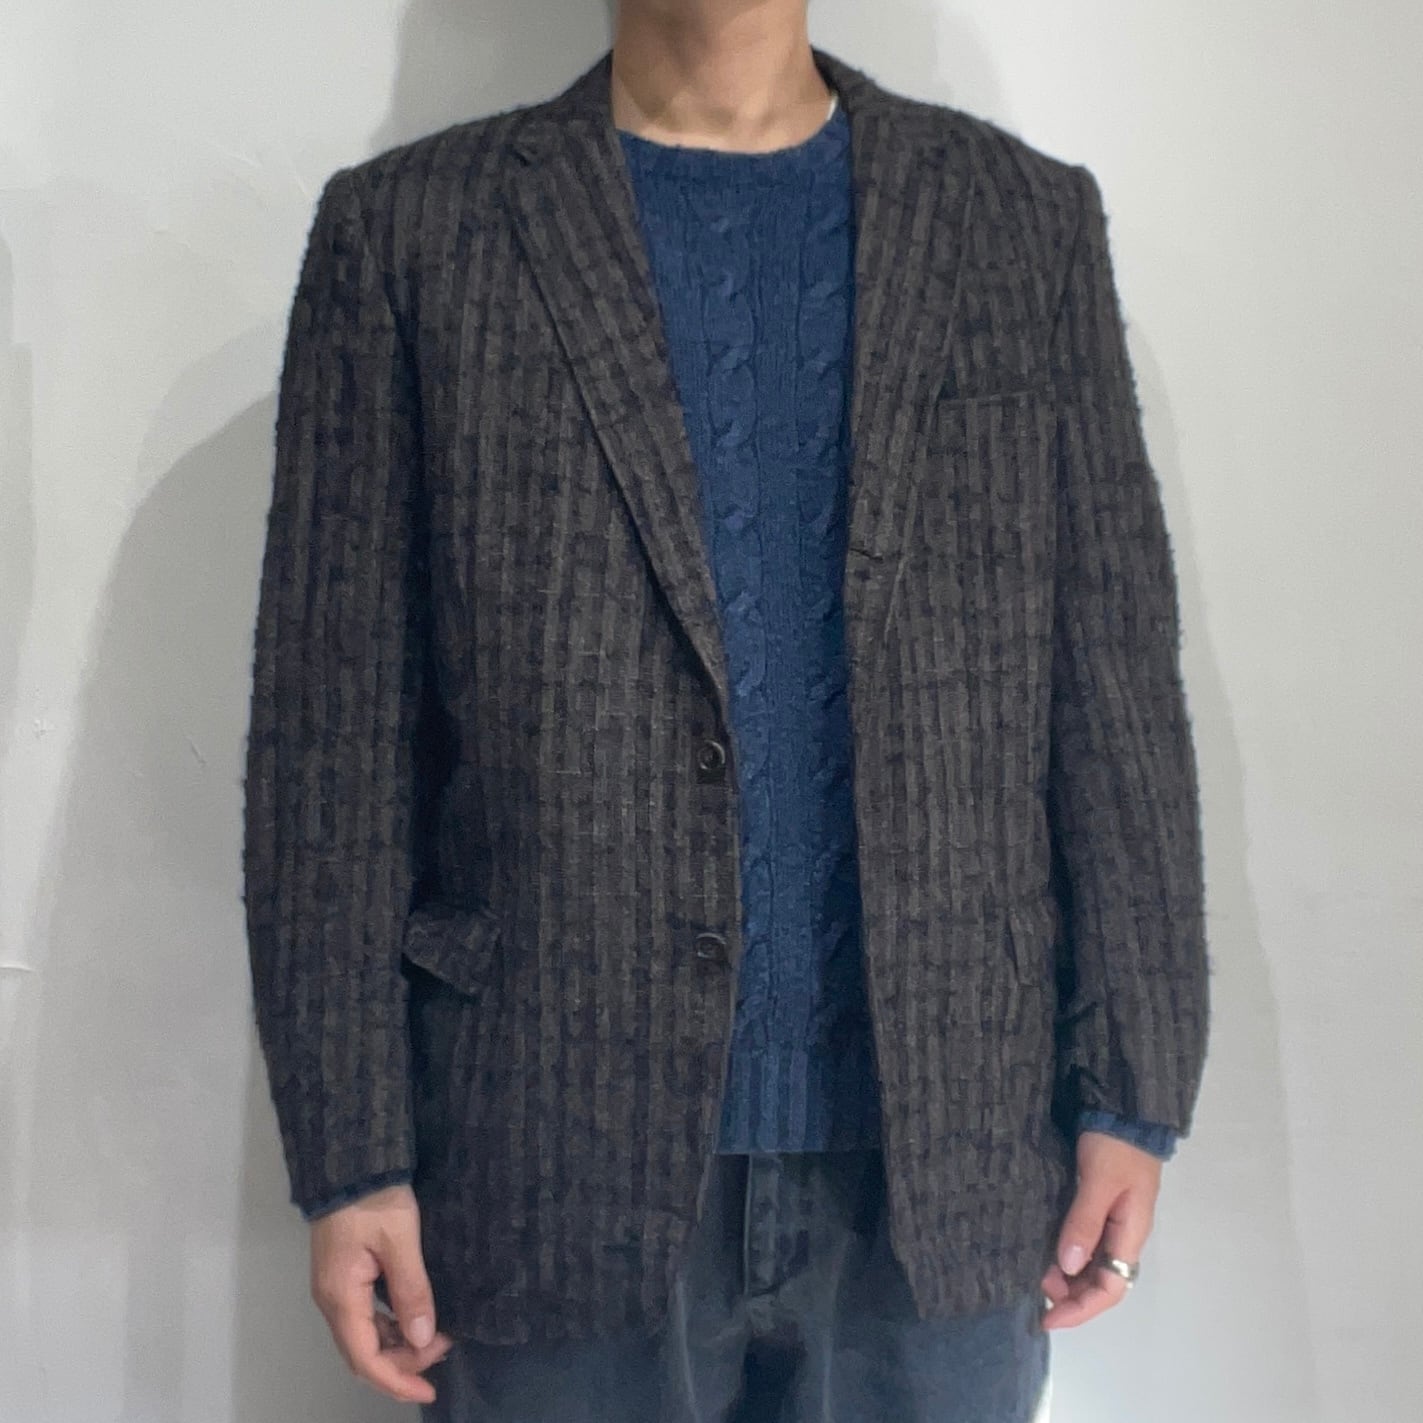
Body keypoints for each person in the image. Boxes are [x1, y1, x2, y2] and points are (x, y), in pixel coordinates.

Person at [241, 5, 1210, 1420]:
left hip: (949, 1152)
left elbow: (1112, 680)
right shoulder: (410, 233)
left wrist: (1133, 1086)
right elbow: (330, 743)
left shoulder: (1020, 222)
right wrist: (350, 1153)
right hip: (547, 1152)